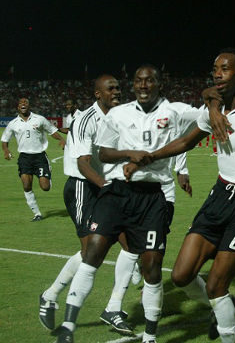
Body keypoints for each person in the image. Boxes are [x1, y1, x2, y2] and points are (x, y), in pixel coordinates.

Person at [123, 48, 235, 343]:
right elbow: (185, 141)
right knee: (181, 275)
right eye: (215, 69)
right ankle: (225, 306)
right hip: (219, 195)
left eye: (225, 69)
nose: (217, 74)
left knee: (216, 286)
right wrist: (147, 157)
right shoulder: (216, 110)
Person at [55, 65, 200, 343]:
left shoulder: (176, 110)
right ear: (133, 85)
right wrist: (128, 155)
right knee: (92, 252)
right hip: (119, 193)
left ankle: (150, 336)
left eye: (149, 81)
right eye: (138, 81)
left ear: (159, 84)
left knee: (152, 268)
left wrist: (210, 97)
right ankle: (68, 328)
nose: (143, 85)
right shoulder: (119, 114)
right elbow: (105, 153)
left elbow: (204, 118)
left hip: (153, 197)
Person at [39, 75, 141, 336]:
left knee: (130, 244)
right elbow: (84, 162)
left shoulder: (119, 116)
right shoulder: (85, 119)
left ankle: (113, 307)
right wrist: (106, 186)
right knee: (90, 253)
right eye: (111, 88)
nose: (117, 91)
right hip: (83, 186)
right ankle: (50, 295)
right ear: (98, 94)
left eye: (118, 87)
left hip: (105, 185)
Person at [1, 98, 66, 221]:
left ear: (29, 106)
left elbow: (52, 131)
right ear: (18, 107)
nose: (23, 104)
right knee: (26, 185)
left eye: (26, 102)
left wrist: (61, 139)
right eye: (21, 103)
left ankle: (48, 174)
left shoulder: (39, 119)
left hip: (39, 156)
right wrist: (6, 150)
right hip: (24, 158)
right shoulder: (13, 123)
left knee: (45, 187)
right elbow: (5, 140)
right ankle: (37, 214)